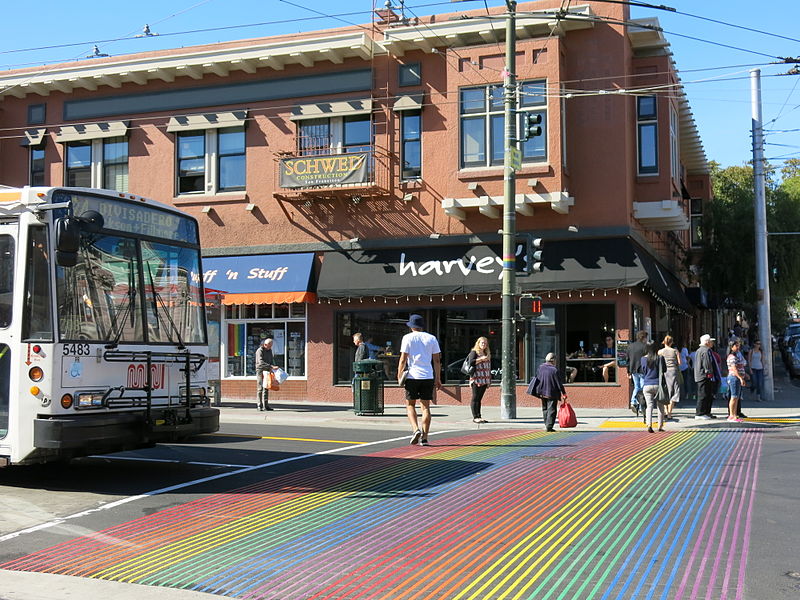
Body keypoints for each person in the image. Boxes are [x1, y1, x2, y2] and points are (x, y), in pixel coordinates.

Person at [398, 314, 442, 446]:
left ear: (411, 326)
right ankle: (425, 437)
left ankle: (415, 429)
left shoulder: (407, 338)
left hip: (412, 376)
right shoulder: (432, 338)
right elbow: (437, 360)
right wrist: (438, 378)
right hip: (427, 376)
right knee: (425, 407)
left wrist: (399, 374)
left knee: (410, 404)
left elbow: (403, 359)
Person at [533, 352, 568, 432]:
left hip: (542, 392)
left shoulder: (540, 367)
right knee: (552, 410)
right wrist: (564, 393)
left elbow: (537, 378)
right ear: (553, 360)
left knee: (545, 409)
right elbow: (559, 383)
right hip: (551, 393)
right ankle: (549, 426)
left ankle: (546, 424)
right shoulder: (554, 370)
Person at [641, 341, 667, 433]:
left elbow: (643, 371)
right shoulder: (660, 358)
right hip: (658, 384)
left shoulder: (643, 359)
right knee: (660, 406)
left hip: (647, 384)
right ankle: (660, 426)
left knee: (649, 406)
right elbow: (664, 370)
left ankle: (649, 424)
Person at [466, 336, 492, 423]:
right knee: (475, 397)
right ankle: (475, 417)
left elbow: (488, 367)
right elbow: (471, 362)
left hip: (484, 378)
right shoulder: (474, 352)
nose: (484, 344)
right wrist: (481, 359)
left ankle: (479, 416)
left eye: (485, 343)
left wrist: (489, 380)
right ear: (478, 343)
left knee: (479, 399)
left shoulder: (486, 353)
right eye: (482, 343)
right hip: (476, 378)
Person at [658, 335, 682, 420]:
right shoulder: (675, 351)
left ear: (664, 342)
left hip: (664, 372)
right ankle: (670, 413)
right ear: (671, 342)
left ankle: (665, 411)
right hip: (674, 372)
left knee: (666, 391)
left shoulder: (660, 352)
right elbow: (679, 362)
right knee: (674, 391)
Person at [694, 334, 717, 420]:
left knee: (706, 394)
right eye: (711, 341)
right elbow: (707, 363)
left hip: (700, 375)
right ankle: (700, 413)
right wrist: (709, 372)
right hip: (704, 375)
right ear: (707, 342)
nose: (712, 343)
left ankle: (706, 412)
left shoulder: (699, 350)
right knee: (703, 394)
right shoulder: (705, 351)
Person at [627, 330, 648, 416]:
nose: (647, 339)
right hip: (642, 369)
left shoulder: (630, 346)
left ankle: (633, 402)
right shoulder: (645, 347)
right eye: (646, 337)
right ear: (643, 337)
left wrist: (628, 371)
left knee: (636, 386)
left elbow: (627, 360)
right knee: (642, 388)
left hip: (633, 369)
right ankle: (640, 407)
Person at [726, 339, 747, 422]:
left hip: (736, 377)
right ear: (731, 347)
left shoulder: (737, 356)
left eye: (738, 345)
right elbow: (734, 368)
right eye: (736, 346)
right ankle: (732, 415)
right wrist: (740, 378)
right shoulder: (732, 357)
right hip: (734, 377)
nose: (738, 347)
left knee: (736, 397)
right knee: (734, 396)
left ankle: (734, 414)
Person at [255, 338, 276, 411]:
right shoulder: (259, 350)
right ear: (265, 344)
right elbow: (260, 362)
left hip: (267, 370)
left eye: (271, 346)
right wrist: (271, 366)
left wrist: (272, 367)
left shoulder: (269, 350)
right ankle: (259, 405)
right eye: (269, 346)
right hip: (260, 370)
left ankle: (266, 405)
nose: (270, 347)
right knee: (260, 388)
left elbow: (271, 360)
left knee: (266, 388)